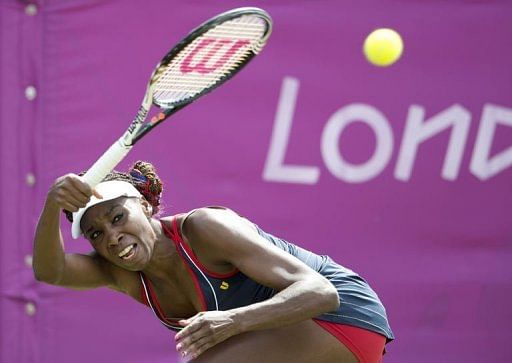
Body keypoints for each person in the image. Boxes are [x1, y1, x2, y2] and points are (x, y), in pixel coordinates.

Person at [33, 161, 394, 363]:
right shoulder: (119, 271)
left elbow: (320, 292)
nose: (111, 237)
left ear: (144, 206)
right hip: (287, 335)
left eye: (117, 218)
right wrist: (53, 203)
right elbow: (50, 270)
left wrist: (232, 321)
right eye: (95, 234)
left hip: (342, 314)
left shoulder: (205, 228)